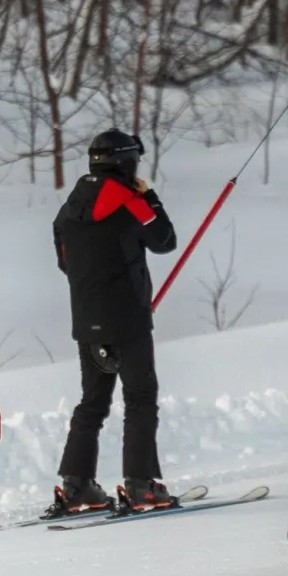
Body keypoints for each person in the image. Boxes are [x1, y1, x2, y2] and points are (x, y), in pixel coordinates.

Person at [49, 129, 180, 515]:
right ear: (125, 162)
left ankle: (78, 486)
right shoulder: (128, 200)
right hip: (129, 317)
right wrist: (148, 195)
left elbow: (64, 260)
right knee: (140, 399)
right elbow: (164, 239)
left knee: (93, 402)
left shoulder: (70, 206)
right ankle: (141, 485)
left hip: (86, 318)